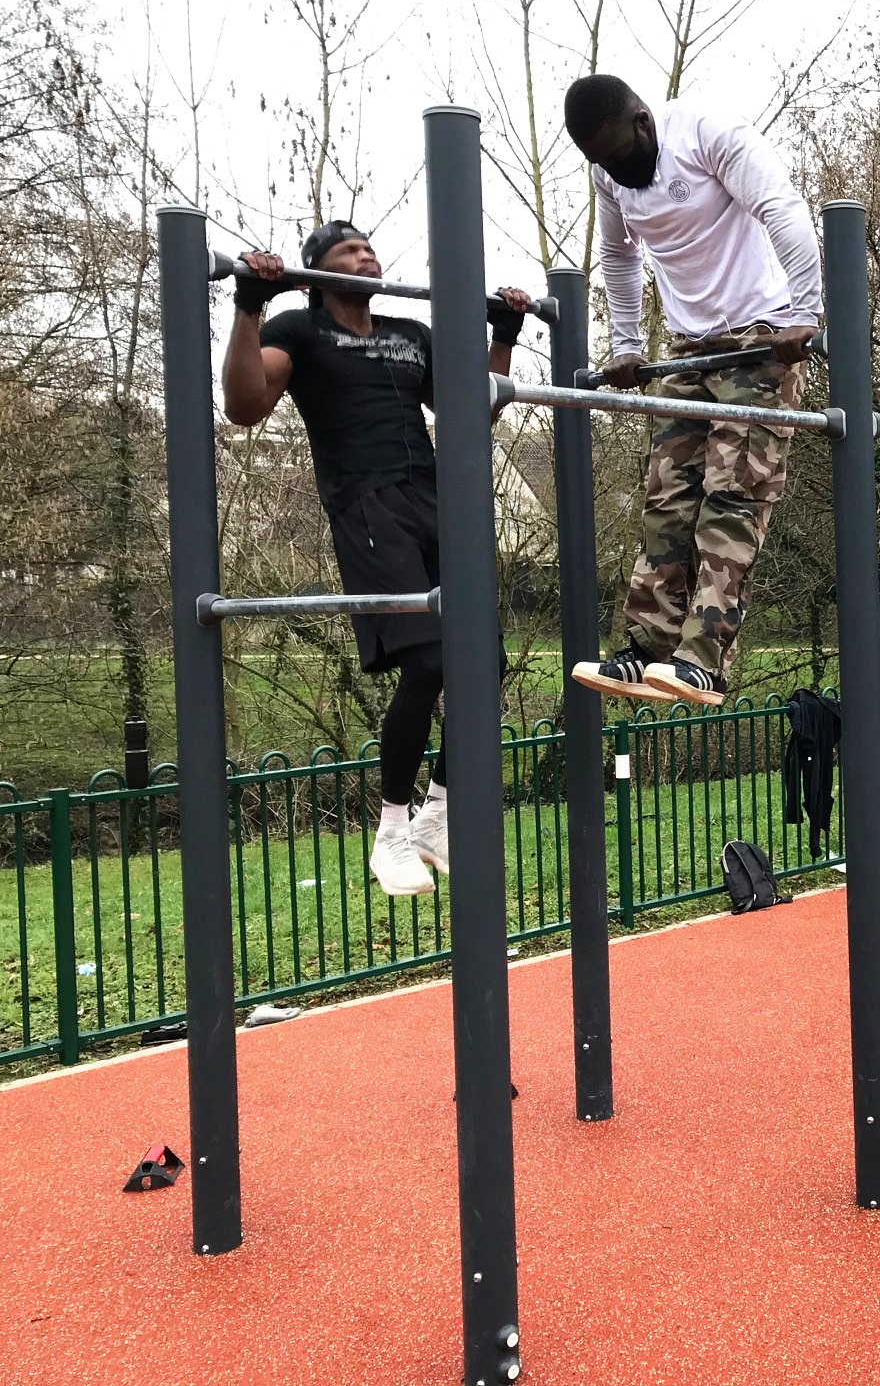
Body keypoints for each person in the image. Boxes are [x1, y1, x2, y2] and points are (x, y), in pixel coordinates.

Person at [220, 221, 532, 898]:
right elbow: (245, 404)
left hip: (433, 495)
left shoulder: (408, 334)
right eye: (345, 254)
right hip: (367, 506)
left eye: (367, 249)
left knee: (485, 660)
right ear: (316, 277)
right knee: (426, 660)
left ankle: (438, 816)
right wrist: (249, 306)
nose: (363, 257)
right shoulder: (299, 332)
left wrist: (501, 335)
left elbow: (471, 409)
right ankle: (392, 830)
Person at [562, 74, 821, 708]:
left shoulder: (707, 135)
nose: (613, 173)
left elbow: (780, 207)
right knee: (668, 498)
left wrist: (806, 313)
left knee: (733, 495)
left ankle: (703, 658)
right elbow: (619, 257)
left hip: (760, 340)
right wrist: (626, 347)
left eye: (618, 157)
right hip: (689, 348)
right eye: (598, 162)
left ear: (643, 124)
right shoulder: (608, 174)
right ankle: (647, 650)